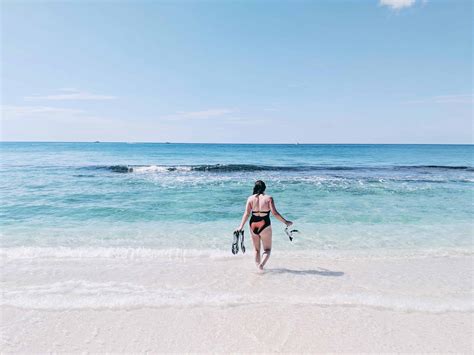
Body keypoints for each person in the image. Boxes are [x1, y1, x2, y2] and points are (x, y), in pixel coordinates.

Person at [235, 180, 292, 270]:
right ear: (264, 188)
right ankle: (261, 265)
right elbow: (275, 213)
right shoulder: (269, 198)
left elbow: (246, 214)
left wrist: (240, 226)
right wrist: (286, 222)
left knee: (256, 250)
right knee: (267, 250)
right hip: (264, 224)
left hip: (253, 224)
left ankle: (258, 268)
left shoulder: (250, 198)